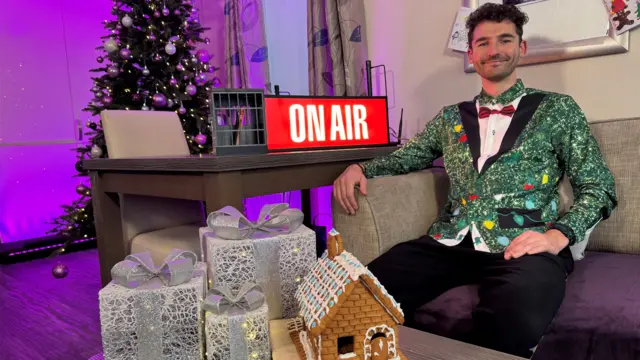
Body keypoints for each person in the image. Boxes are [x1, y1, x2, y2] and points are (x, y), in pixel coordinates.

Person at [333, 3, 617, 358]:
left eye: (505, 40)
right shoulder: (450, 118)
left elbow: (599, 186)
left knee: (515, 318)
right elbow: (408, 157)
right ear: (471, 53)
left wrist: (557, 236)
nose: (494, 50)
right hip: (451, 239)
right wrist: (360, 168)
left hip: (523, 244)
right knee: (360, 295)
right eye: (483, 43)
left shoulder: (558, 110)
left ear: (521, 48)